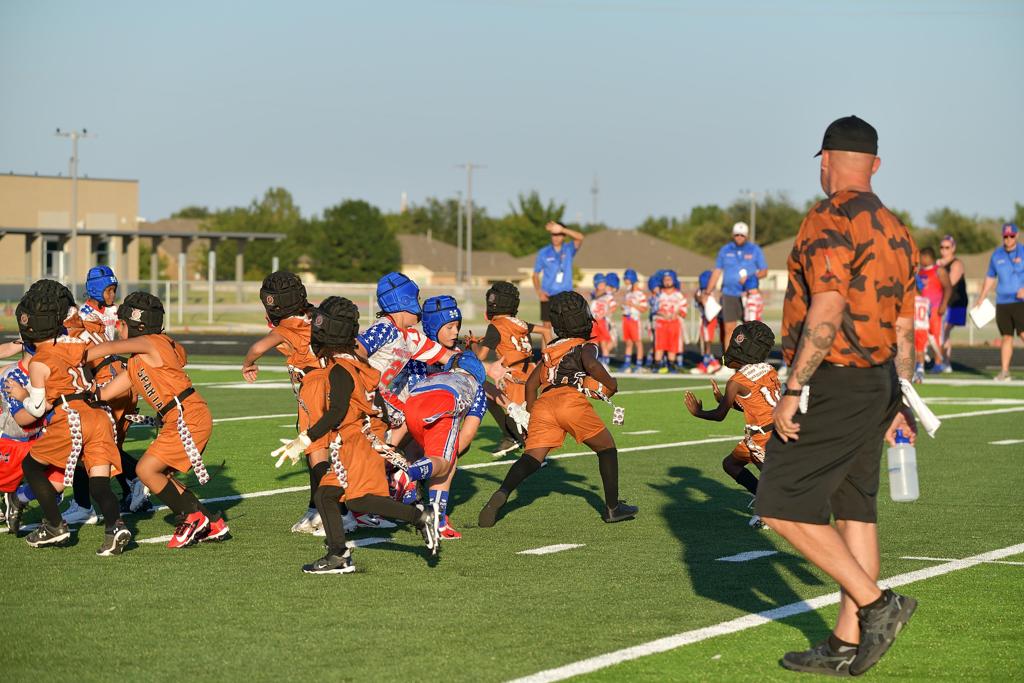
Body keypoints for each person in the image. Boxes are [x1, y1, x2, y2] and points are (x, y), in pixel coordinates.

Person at [756, 115, 919, 676]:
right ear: (875, 165)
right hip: (880, 380)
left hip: (836, 378)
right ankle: (845, 641)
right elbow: (904, 326)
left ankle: (878, 605)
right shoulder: (897, 228)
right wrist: (902, 398)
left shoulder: (829, 216)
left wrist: (793, 386)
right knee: (855, 510)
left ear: (825, 161)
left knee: (778, 503)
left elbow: (826, 306)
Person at [272, 297, 440, 574]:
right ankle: (338, 555)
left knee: (358, 500)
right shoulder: (358, 362)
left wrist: (304, 439)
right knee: (326, 495)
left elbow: (337, 412)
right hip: (360, 439)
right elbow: (377, 404)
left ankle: (420, 516)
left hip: (357, 442)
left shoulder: (339, 369)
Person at [478, 290, 637, 527]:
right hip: (570, 401)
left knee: (531, 458)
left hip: (544, 403)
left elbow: (532, 385)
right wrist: (611, 384)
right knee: (606, 448)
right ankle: (613, 508)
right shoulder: (585, 346)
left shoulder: (551, 349)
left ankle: (500, 494)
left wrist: (531, 416)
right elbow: (592, 365)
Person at [86, 291, 229, 549]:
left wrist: (69, 357)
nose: (118, 329)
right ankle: (211, 523)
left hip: (188, 416)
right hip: (181, 417)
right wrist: (84, 393)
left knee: (145, 470)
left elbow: (107, 348)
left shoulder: (151, 343)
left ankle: (192, 518)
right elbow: (105, 393)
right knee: (158, 473)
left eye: (122, 324)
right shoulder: (138, 361)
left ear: (136, 326)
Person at [7, 284, 130, 556]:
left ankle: (54, 525)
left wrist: (21, 395)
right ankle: (115, 526)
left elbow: (37, 409)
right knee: (99, 483)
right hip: (99, 415)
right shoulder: (73, 343)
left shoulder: (38, 362)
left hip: (71, 417)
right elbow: (100, 350)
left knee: (31, 466)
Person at [242, 271, 327, 534]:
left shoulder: (285, 329)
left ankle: (331, 511)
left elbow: (257, 348)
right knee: (337, 448)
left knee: (316, 449)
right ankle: (320, 507)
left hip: (315, 387)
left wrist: (248, 364)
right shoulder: (318, 315)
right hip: (340, 381)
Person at [683, 321, 779, 529]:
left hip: (763, 437)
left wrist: (698, 412)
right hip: (773, 429)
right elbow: (757, 404)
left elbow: (720, 416)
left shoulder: (737, 381)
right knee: (730, 464)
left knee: (774, 481)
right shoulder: (770, 369)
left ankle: (769, 512)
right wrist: (725, 399)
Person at [473, 281, 551, 457]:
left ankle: (534, 454)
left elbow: (480, 358)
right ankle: (511, 438)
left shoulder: (495, 326)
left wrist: (473, 346)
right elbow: (546, 331)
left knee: (518, 418)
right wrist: (547, 360)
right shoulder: (520, 323)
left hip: (513, 377)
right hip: (530, 373)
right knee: (491, 399)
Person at [973, 222, 1024, 381]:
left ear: (1017, 235)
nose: (1008, 239)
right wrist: (982, 297)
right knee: (1006, 337)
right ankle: (1004, 371)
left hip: (1020, 301)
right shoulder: (997, 254)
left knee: (1023, 334)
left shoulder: (1023, 252)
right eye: (1006, 236)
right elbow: (990, 277)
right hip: (1003, 302)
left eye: (1011, 236)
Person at [706, 221, 768, 350]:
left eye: (742, 235)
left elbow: (764, 271)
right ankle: (729, 359)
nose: (739, 237)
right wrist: (708, 291)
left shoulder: (755, 250)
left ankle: (750, 358)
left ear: (746, 236)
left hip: (748, 295)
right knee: (729, 328)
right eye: (737, 235)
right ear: (733, 235)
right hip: (729, 294)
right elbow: (717, 271)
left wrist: (751, 277)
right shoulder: (725, 250)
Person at [532, 221, 585, 324]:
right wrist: (539, 292)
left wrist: (562, 229)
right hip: (548, 295)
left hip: (566, 295)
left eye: (559, 234)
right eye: (553, 234)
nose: (556, 237)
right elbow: (535, 274)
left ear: (564, 236)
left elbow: (580, 237)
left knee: (567, 325)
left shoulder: (569, 249)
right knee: (546, 326)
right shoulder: (543, 252)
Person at [917, 247, 951, 372]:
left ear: (927, 257)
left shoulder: (939, 271)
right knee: (920, 336)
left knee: (936, 337)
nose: (919, 260)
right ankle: (920, 363)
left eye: (921, 257)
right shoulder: (919, 272)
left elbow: (948, 288)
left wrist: (944, 304)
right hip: (922, 310)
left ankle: (938, 363)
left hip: (936, 308)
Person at [937, 235, 966, 372]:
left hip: (955, 303)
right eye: (942, 247)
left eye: (947, 247)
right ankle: (943, 361)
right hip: (943, 303)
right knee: (942, 331)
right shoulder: (939, 264)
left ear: (953, 248)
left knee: (944, 330)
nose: (944, 250)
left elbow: (949, 283)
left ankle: (945, 362)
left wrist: (939, 269)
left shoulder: (956, 264)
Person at [653, 270, 687, 374]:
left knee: (673, 345)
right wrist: (662, 314)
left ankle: (671, 365)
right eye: (665, 280)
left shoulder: (679, 295)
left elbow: (684, 310)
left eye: (669, 279)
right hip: (661, 323)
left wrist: (676, 313)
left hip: (674, 323)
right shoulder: (659, 295)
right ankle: (657, 365)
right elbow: (655, 308)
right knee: (659, 345)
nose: (667, 282)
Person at [692, 270, 722, 375]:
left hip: (710, 319)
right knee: (701, 341)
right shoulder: (700, 291)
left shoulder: (712, 292)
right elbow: (698, 302)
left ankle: (705, 363)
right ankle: (712, 362)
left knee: (707, 340)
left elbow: (709, 304)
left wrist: (701, 297)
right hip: (704, 318)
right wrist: (698, 297)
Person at [620, 269, 649, 373]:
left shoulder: (640, 294)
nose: (625, 281)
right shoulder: (628, 293)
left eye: (626, 279)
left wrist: (633, 305)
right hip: (626, 319)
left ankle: (639, 365)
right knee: (628, 342)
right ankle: (627, 364)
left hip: (634, 320)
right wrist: (624, 307)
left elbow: (644, 308)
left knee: (638, 342)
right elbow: (624, 306)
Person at [589, 274, 616, 364]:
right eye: (601, 284)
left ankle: (605, 363)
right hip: (593, 322)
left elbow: (613, 307)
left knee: (604, 343)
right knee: (594, 343)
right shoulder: (593, 295)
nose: (603, 286)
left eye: (604, 283)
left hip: (602, 322)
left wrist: (604, 314)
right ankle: (595, 362)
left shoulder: (608, 296)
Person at [912, 276, 931, 384]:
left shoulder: (910, 301)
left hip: (913, 328)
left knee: (913, 351)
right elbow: (929, 314)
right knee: (921, 351)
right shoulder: (926, 301)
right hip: (923, 329)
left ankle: (914, 372)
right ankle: (920, 371)